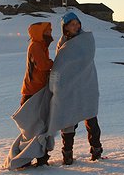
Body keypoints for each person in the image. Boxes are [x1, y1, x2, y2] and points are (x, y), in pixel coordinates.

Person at [57, 12, 103, 165]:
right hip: (69, 88)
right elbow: (60, 65)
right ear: (65, 27)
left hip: (86, 85)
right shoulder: (62, 43)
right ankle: (67, 154)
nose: (76, 26)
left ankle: (96, 151)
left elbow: (86, 59)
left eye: (77, 23)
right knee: (68, 121)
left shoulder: (86, 40)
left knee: (91, 119)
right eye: (72, 24)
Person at [19, 21, 54, 166]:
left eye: (50, 30)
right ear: (40, 33)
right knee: (33, 127)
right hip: (33, 92)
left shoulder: (40, 45)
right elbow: (43, 65)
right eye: (47, 31)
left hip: (36, 90)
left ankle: (39, 156)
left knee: (37, 126)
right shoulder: (36, 46)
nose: (50, 33)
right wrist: (56, 63)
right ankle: (26, 158)